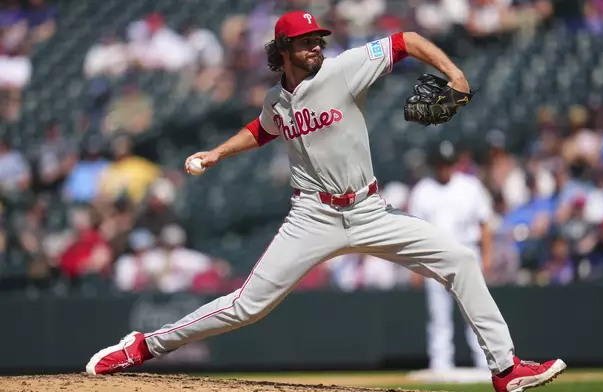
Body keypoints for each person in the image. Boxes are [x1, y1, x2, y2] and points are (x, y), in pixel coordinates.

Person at [86, 11, 566, 392]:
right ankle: (143, 347)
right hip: (312, 215)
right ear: (283, 50)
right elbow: (263, 128)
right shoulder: (277, 99)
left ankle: (505, 370)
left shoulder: (341, 70)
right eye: (306, 41)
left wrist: (455, 73)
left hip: (368, 210)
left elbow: (405, 41)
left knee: (460, 260)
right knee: (246, 307)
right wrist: (216, 153)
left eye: (319, 38)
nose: (317, 45)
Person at [406, 141, 492, 382]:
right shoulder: (423, 189)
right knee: (438, 316)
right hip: (434, 258)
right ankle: (440, 364)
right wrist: (414, 266)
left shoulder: (470, 186)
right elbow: (413, 231)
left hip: (467, 253)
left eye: (448, 163)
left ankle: (485, 363)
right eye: (440, 164)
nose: (444, 168)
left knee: (474, 314)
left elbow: (485, 224)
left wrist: (487, 257)